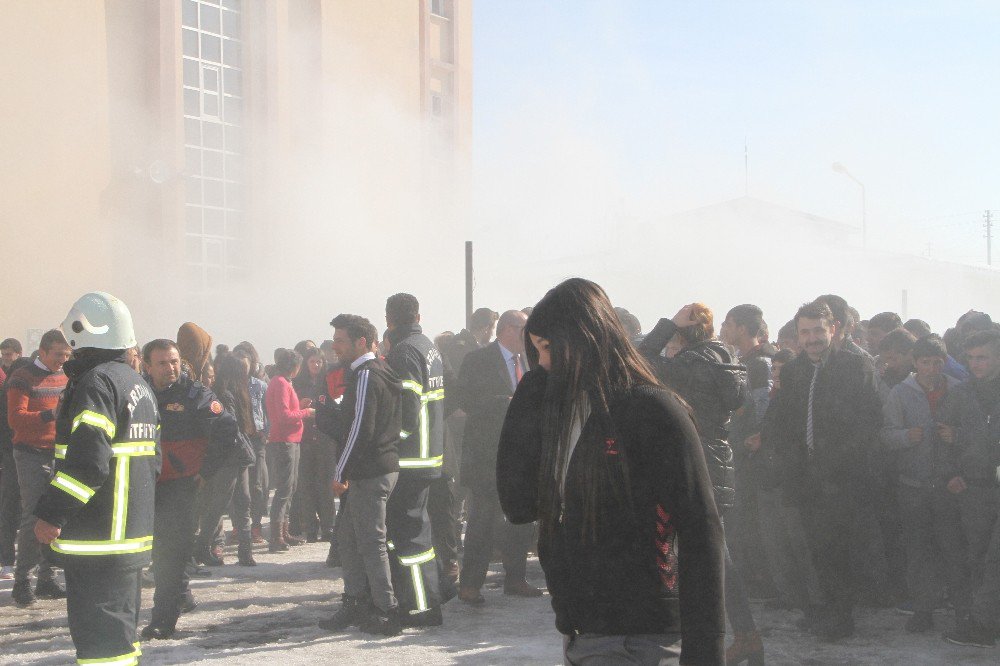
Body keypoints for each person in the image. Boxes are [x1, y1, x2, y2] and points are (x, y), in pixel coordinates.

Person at [497, 278, 725, 665]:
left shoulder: (651, 409)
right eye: (536, 352)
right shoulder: (563, 413)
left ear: (584, 337)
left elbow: (702, 532)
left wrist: (706, 654)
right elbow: (518, 505)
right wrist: (530, 392)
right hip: (580, 633)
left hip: (640, 637)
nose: (545, 362)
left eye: (549, 348)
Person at [32, 292, 159, 665]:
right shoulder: (136, 383)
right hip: (129, 536)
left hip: (98, 537)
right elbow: (153, 460)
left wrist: (51, 513)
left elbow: (89, 462)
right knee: (121, 640)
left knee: (101, 647)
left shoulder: (96, 382)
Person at [640, 303, 761, 664]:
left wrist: (668, 324)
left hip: (695, 462)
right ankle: (745, 635)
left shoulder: (692, 364)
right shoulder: (726, 359)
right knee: (712, 553)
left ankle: (738, 636)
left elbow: (640, 359)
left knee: (711, 558)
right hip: (716, 460)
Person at [763, 300, 882, 640]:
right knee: (816, 548)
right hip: (806, 479)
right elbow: (783, 420)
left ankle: (841, 617)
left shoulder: (855, 367)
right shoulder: (795, 369)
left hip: (844, 478)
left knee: (840, 549)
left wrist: (837, 464)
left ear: (833, 330)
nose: (812, 338)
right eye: (805, 332)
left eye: (818, 330)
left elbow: (869, 423)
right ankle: (825, 610)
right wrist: (784, 458)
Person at [140, 338, 238, 640]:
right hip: (146, 483)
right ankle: (181, 594)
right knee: (159, 549)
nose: (170, 368)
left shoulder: (195, 394)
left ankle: (163, 619)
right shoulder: (138, 393)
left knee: (171, 552)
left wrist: (206, 471)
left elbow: (227, 428)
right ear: (147, 366)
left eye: (174, 362)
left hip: (181, 486)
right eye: (163, 363)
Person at [317, 314, 402, 637]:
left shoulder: (367, 374)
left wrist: (341, 471)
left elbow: (360, 430)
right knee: (350, 541)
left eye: (340, 341)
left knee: (371, 543)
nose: (335, 347)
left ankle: (386, 610)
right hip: (375, 468)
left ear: (361, 342)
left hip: (370, 471)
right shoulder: (374, 371)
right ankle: (355, 602)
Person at [880, 334, 968, 634]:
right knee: (918, 552)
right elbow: (885, 436)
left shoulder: (959, 391)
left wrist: (956, 437)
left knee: (953, 549)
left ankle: (963, 610)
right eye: (925, 362)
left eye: (937, 362)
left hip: (949, 486)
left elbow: (972, 434)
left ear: (944, 362)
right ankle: (923, 609)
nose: (931, 368)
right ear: (915, 364)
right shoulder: (900, 394)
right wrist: (907, 436)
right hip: (913, 485)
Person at [454, 310, 540, 605]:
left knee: (521, 519)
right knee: (482, 522)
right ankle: (470, 584)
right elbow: (464, 400)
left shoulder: (532, 360)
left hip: (523, 454)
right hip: (487, 456)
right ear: (507, 329)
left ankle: (516, 578)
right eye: (524, 328)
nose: (530, 334)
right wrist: (503, 404)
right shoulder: (478, 360)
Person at [383, 293, 445, 626]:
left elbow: (406, 410)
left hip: (410, 459)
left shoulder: (404, 352)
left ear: (389, 319)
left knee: (408, 536)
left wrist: (388, 442)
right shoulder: (428, 346)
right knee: (418, 531)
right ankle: (426, 598)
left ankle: (421, 606)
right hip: (429, 453)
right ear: (418, 315)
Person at [940, 329, 1000, 648]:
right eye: (972, 358)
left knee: (995, 558)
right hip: (974, 489)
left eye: (984, 357)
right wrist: (951, 473)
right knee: (977, 557)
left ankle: (982, 626)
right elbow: (942, 436)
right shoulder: (961, 394)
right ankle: (983, 618)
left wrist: (963, 437)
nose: (976, 364)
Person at [8, 328, 72, 606]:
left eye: (66, 355)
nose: (62, 360)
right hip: (31, 454)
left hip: (59, 452)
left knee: (57, 514)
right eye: (58, 355)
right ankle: (22, 581)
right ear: (42, 351)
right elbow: (16, 419)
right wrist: (50, 415)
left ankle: (47, 578)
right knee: (33, 516)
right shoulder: (21, 378)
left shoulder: (66, 375)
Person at [264, 348, 314, 552]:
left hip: (290, 439)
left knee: (290, 487)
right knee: (284, 489)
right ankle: (276, 537)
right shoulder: (281, 383)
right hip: (284, 440)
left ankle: (282, 533)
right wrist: (306, 412)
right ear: (294, 367)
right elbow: (284, 416)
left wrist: (299, 407)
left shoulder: (281, 382)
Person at [212, 353, 259, 566]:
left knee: (228, 504)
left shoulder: (228, 393)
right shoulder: (228, 395)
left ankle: (236, 550)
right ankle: (241, 551)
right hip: (232, 457)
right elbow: (231, 428)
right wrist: (246, 451)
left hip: (230, 457)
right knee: (237, 503)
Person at [291, 347, 336, 542]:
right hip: (305, 438)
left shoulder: (329, 382)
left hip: (325, 438)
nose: (316, 365)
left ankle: (328, 527)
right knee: (306, 485)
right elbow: (290, 410)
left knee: (325, 485)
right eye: (312, 362)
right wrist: (301, 406)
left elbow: (337, 407)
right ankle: (310, 527)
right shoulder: (298, 384)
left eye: (319, 362)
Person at [0, 358, 31, 581]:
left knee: (14, 510)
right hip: (12, 457)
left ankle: (10, 561)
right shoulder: (7, 394)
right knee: (12, 509)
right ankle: (8, 561)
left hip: (20, 455)